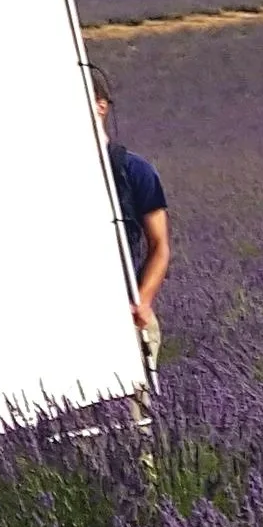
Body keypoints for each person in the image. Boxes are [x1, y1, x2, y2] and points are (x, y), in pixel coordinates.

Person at [92, 72, 170, 362]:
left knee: (133, 407)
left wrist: (143, 301)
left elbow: (159, 245)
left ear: (101, 106)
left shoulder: (135, 171)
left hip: (128, 316)